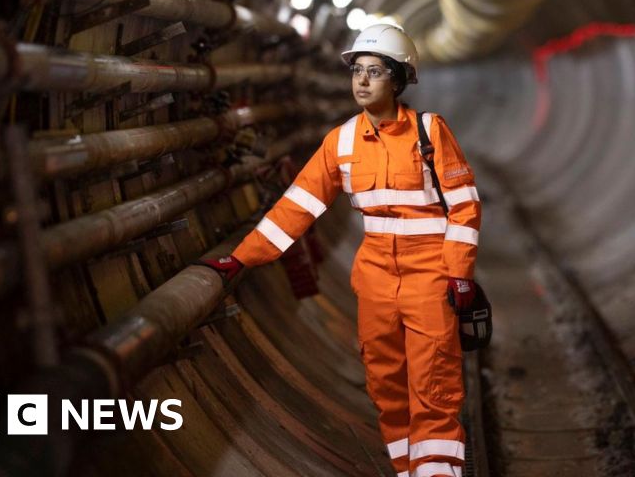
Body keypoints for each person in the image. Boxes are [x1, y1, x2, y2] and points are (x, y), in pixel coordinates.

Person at [195, 24, 482, 477]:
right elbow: (297, 206)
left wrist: (459, 272)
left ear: (398, 81)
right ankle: (411, 470)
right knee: (385, 383)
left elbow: (464, 205)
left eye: (374, 72)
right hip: (375, 279)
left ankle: (439, 472)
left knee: (433, 381)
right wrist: (243, 257)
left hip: (429, 273)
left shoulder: (430, 133)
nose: (362, 82)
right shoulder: (341, 142)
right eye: (358, 72)